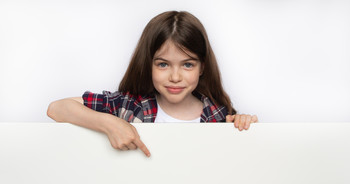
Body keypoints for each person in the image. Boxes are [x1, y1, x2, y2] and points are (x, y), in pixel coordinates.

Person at [47, 11, 258, 157]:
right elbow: (56, 108)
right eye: (163, 64)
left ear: (202, 67)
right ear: (148, 64)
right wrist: (110, 124)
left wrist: (244, 125)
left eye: (187, 65)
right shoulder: (129, 106)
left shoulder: (220, 117)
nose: (175, 77)